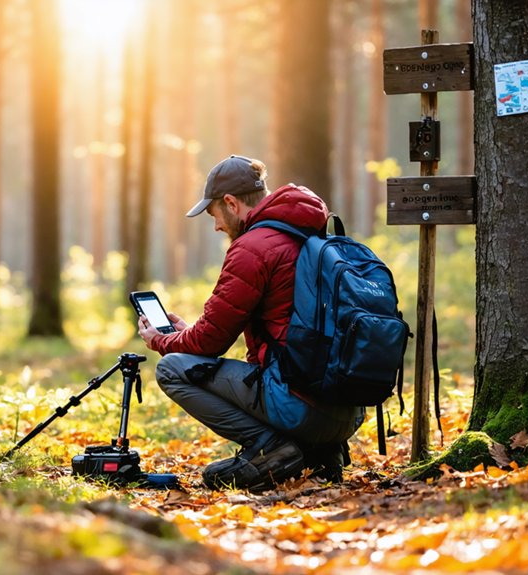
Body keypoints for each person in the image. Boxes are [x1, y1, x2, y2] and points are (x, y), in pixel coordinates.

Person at [137, 155, 364, 492]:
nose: (216, 226)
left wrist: (160, 340)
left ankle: (271, 448)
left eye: (214, 215)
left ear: (230, 203)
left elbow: (211, 342)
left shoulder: (253, 248)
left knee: (171, 368)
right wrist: (187, 333)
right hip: (347, 409)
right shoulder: (311, 233)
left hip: (299, 406)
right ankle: (319, 452)